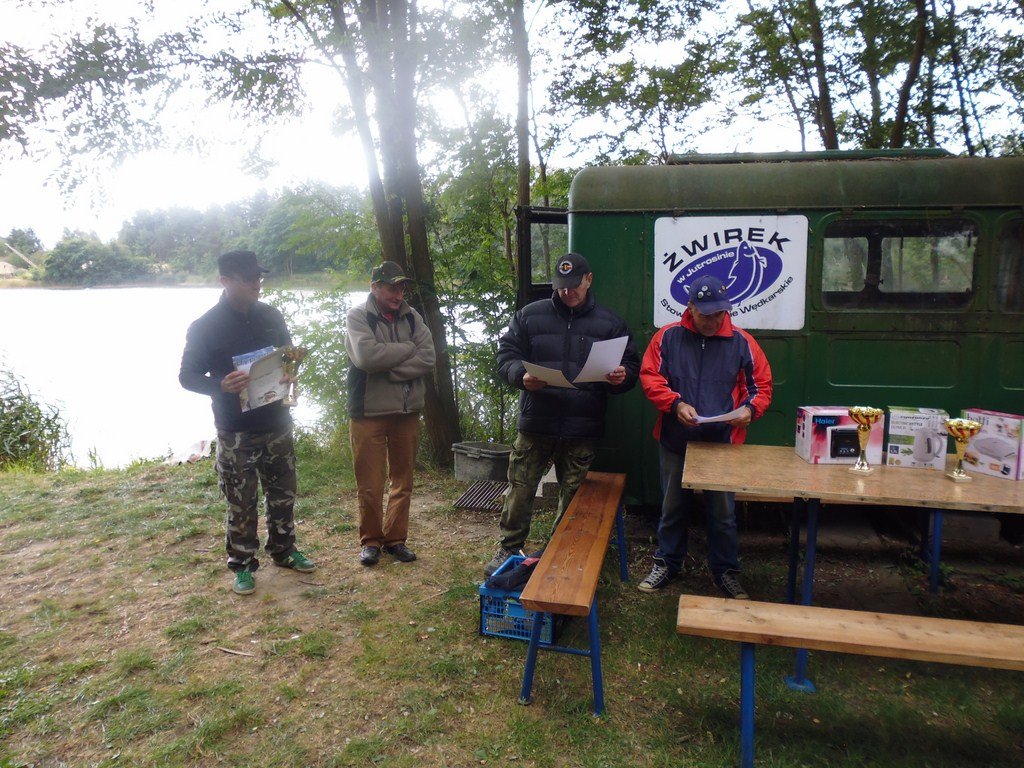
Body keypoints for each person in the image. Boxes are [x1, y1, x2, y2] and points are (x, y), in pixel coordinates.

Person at [485, 252, 641, 576]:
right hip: (536, 421)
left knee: (573, 495)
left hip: (582, 425)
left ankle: (559, 551)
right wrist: (521, 376)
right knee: (520, 486)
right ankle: (509, 547)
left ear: (589, 280)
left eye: (574, 285)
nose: (567, 292)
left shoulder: (611, 323)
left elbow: (630, 366)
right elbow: (505, 356)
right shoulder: (529, 316)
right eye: (561, 286)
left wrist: (622, 376)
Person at [179, 250, 316, 596]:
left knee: (283, 493)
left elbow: (288, 356)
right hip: (236, 430)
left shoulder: (270, 315)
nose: (257, 284)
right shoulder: (205, 326)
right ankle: (242, 563)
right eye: (249, 279)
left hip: (277, 421)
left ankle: (284, 550)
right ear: (225, 281)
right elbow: (187, 377)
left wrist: (290, 373)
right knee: (241, 500)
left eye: (259, 277)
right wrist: (220, 385)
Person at [637, 274, 772, 598]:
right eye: (705, 314)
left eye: (719, 314)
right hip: (676, 439)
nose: (712, 321)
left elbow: (761, 386)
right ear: (690, 307)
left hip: (722, 442)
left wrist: (750, 410)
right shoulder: (667, 337)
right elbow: (651, 377)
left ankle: (726, 571)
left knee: (723, 514)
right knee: (672, 507)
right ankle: (667, 563)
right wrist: (675, 404)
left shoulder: (742, 342)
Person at [346, 261, 436, 567]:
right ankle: (370, 541)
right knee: (370, 483)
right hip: (368, 412)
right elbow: (367, 357)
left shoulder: (412, 317)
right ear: (375, 288)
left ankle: (395, 539)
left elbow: (428, 357)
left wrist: (392, 371)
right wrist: (407, 348)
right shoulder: (358, 316)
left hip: (407, 411)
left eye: (402, 288)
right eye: (392, 288)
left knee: (403, 480)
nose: (398, 295)